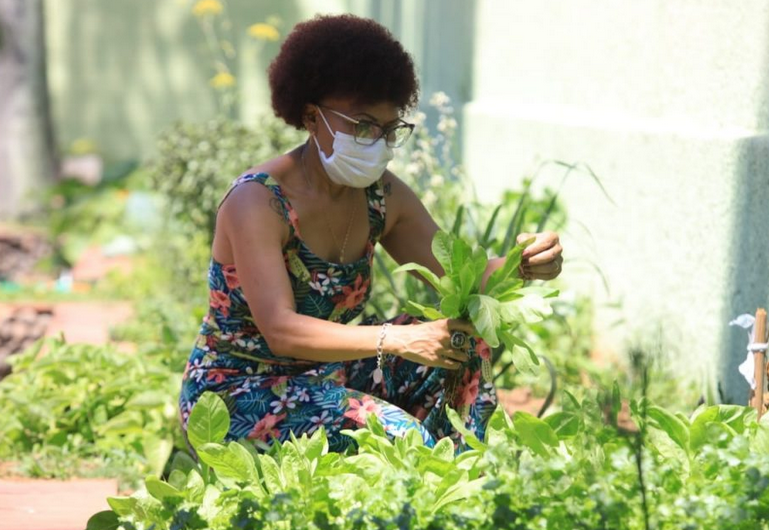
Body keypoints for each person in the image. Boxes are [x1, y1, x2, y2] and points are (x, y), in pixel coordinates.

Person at [178, 14, 563, 454]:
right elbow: (280, 330)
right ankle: (420, 477)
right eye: (362, 125)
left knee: (462, 342)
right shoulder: (260, 202)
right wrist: (396, 338)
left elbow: (462, 278)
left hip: (331, 376)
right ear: (311, 116)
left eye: (388, 129)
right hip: (240, 392)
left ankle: (458, 469)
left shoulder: (383, 198)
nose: (376, 142)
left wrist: (525, 264)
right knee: (396, 437)